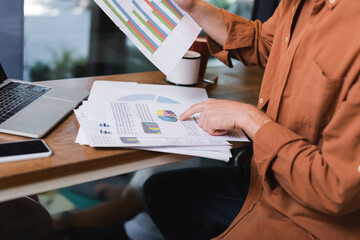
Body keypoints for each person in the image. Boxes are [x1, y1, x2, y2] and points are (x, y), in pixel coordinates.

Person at [143, 0, 360, 239]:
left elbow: (334, 188)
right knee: (159, 193)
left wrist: (250, 120)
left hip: (311, 218)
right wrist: (193, 6)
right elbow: (267, 43)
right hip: (270, 183)